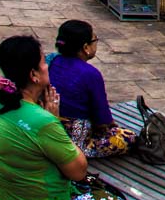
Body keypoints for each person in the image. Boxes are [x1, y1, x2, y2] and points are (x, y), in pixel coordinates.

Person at [0, 36, 133, 200]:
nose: (47, 65)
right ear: (33, 74)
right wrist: (55, 121)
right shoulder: (43, 121)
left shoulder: (1, 101)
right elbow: (78, 172)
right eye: (43, 63)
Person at [49, 21, 139, 158]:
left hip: (49, 129)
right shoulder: (90, 74)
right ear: (86, 47)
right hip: (74, 141)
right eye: (94, 40)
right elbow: (103, 118)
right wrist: (112, 128)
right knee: (129, 138)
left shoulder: (51, 62)